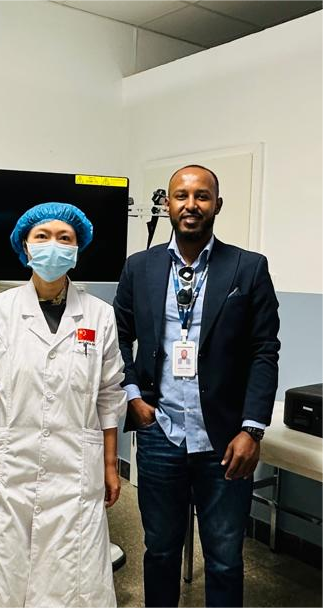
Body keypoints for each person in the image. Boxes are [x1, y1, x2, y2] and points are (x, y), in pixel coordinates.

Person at [114, 165, 280, 608]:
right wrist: (133, 397)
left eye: (202, 196)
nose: (191, 205)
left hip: (225, 438)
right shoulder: (140, 268)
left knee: (224, 558)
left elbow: (264, 351)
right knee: (160, 550)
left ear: (217, 205)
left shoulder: (248, 267)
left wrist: (252, 429)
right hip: (159, 433)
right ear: (168, 205)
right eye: (181, 196)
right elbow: (118, 338)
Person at [0, 202, 127, 608]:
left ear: (77, 248)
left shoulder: (100, 316)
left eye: (64, 238)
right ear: (25, 246)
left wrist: (109, 465)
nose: (54, 245)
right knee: (1, 567)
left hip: (75, 467)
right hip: (9, 464)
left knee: (72, 571)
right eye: (43, 236)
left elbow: (108, 395)